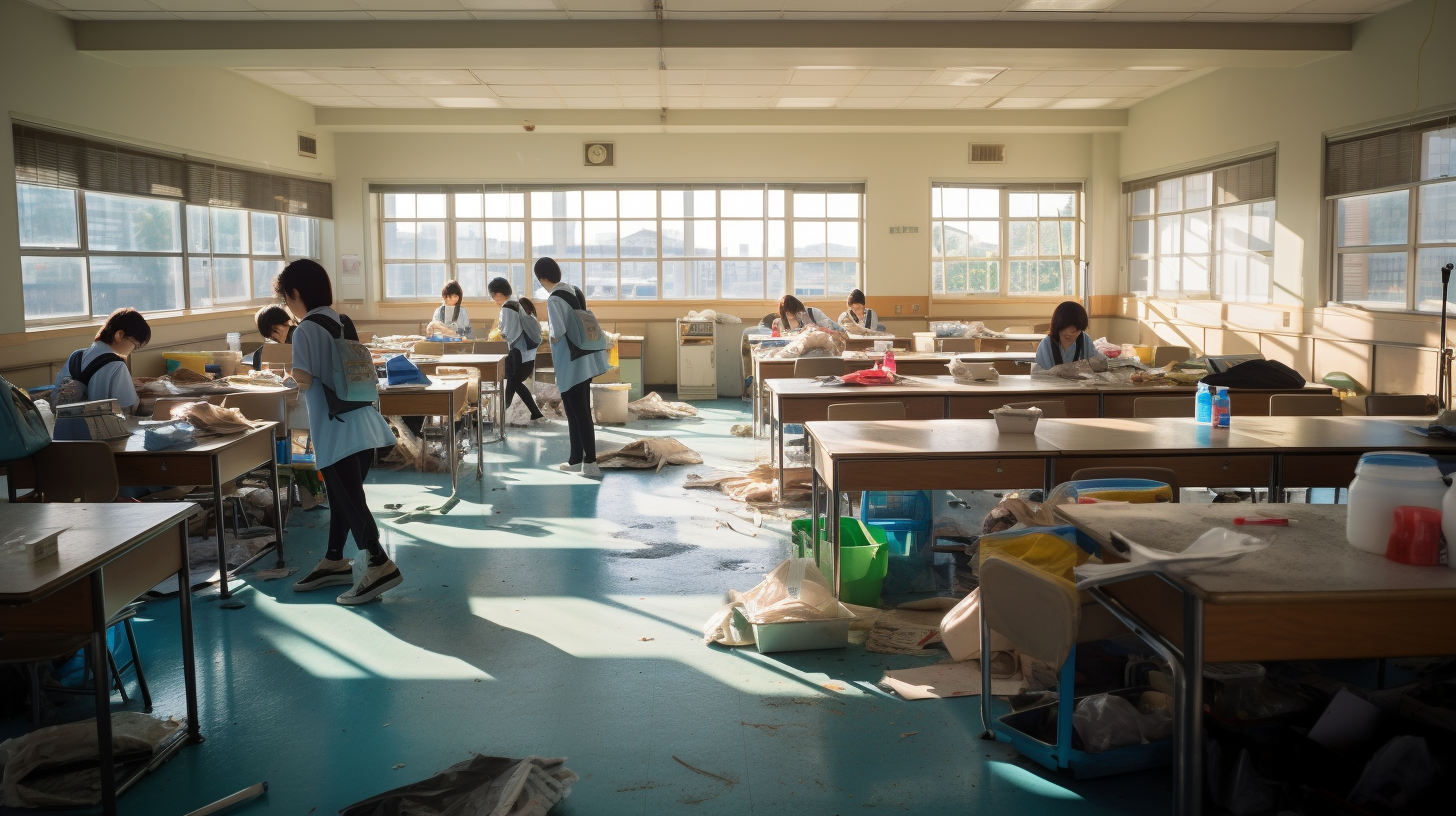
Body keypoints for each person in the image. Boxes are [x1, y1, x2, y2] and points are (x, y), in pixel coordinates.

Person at [276, 259, 403, 605]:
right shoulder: (342, 321)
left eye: (287, 298)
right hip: (364, 424)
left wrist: (284, 379)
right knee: (344, 496)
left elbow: (302, 378)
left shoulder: (304, 330)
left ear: (295, 293)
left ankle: (379, 562)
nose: (288, 306)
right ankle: (334, 559)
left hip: (335, 430)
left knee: (349, 500)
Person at [535, 257, 608, 477]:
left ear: (542, 278)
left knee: (580, 413)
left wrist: (545, 337)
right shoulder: (574, 290)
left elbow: (557, 333)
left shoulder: (554, 299)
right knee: (578, 411)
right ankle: (576, 459)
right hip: (585, 357)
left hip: (570, 361)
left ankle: (591, 462)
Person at [53, 307, 150, 416]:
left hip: (64, 422)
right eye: (135, 345)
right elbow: (127, 406)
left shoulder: (76, 355)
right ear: (120, 335)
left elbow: (56, 392)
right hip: (99, 428)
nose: (133, 349)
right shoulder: (117, 365)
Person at [487, 277, 546, 424]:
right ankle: (535, 414)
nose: (493, 298)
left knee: (513, 381)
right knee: (516, 382)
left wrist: (501, 334)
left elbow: (510, 333)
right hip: (526, 351)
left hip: (517, 351)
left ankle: (501, 416)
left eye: (493, 295)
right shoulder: (517, 303)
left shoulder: (508, 307)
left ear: (498, 293)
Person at [1035, 300, 1106, 369]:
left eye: (1077, 331)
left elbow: (1098, 361)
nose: (1071, 335)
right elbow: (1042, 375)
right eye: (1066, 337)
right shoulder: (1046, 345)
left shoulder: (1084, 339)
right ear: (1057, 327)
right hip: (1053, 381)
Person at [251, 305, 294, 371]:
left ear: (276, 328)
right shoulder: (290, 336)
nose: (276, 342)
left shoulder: (296, 337)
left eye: (274, 339)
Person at [776, 295, 842, 333]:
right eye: (788, 313)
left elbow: (832, 329)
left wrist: (814, 329)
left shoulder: (813, 312)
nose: (795, 316)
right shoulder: (781, 321)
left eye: (796, 313)